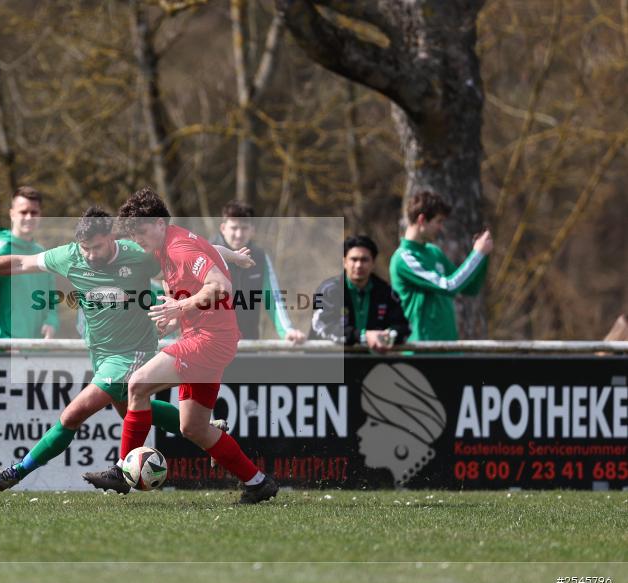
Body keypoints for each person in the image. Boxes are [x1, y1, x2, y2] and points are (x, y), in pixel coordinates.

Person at [0, 208, 253, 492]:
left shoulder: (137, 252)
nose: (90, 255)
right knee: (136, 412)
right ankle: (211, 430)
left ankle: (18, 472)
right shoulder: (70, 256)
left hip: (134, 351)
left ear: (112, 237)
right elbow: (20, 261)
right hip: (102, 355)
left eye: (96, 247)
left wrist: (231, 256)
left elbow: (190, 248)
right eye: (85, 248)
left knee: (74, 413)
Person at [83, 187, 279, 504]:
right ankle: (258, 483)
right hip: (208, 338)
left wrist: (180, 309)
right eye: (133, 235)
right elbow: (207, 248)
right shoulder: (169, 244)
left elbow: (221, 286)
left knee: (137, 384)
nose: (138, 240)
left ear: (160, 223)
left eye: (141, 232)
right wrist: (178, 315)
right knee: (194, 427)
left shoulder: (179, 247)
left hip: (209, 340)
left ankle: (121, 471)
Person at [389, 191, 493, 341]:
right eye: (438, 221)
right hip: (421, 350)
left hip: (449, 347)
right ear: (422, 220)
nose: (441, 227)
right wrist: (477, 254)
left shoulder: (434, 252)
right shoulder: (403, 258)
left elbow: (471, 288)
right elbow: (449, 286)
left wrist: (483, 256)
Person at [0, 186, 59, 340]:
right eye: (23, 212)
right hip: (4, 359)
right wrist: (2, 343)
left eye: (34, 212)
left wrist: (51, 322)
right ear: (12, 214)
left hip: (36, 355)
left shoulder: (43, 255)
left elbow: (51, 302)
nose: (29, 217)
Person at [210, 202, 307, 344]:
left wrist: (287, 330)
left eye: (244, 228)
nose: (239, 234)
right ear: (223, 228)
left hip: (248, 341)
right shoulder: (205, 254)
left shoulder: (260, 257)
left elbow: (273, 299)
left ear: (252, 230)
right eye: (234, 228)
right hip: (210, 345)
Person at [310, 235, 409, 352]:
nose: (358, 265)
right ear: (344, 262)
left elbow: (403, 326)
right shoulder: (325, 290)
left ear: (373, 263)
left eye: (364, 260)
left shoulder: (387, 292)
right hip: (327, 362)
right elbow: (320, 324)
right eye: (354, 259)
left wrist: (390, 335)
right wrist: (363, 336)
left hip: (369, 364)